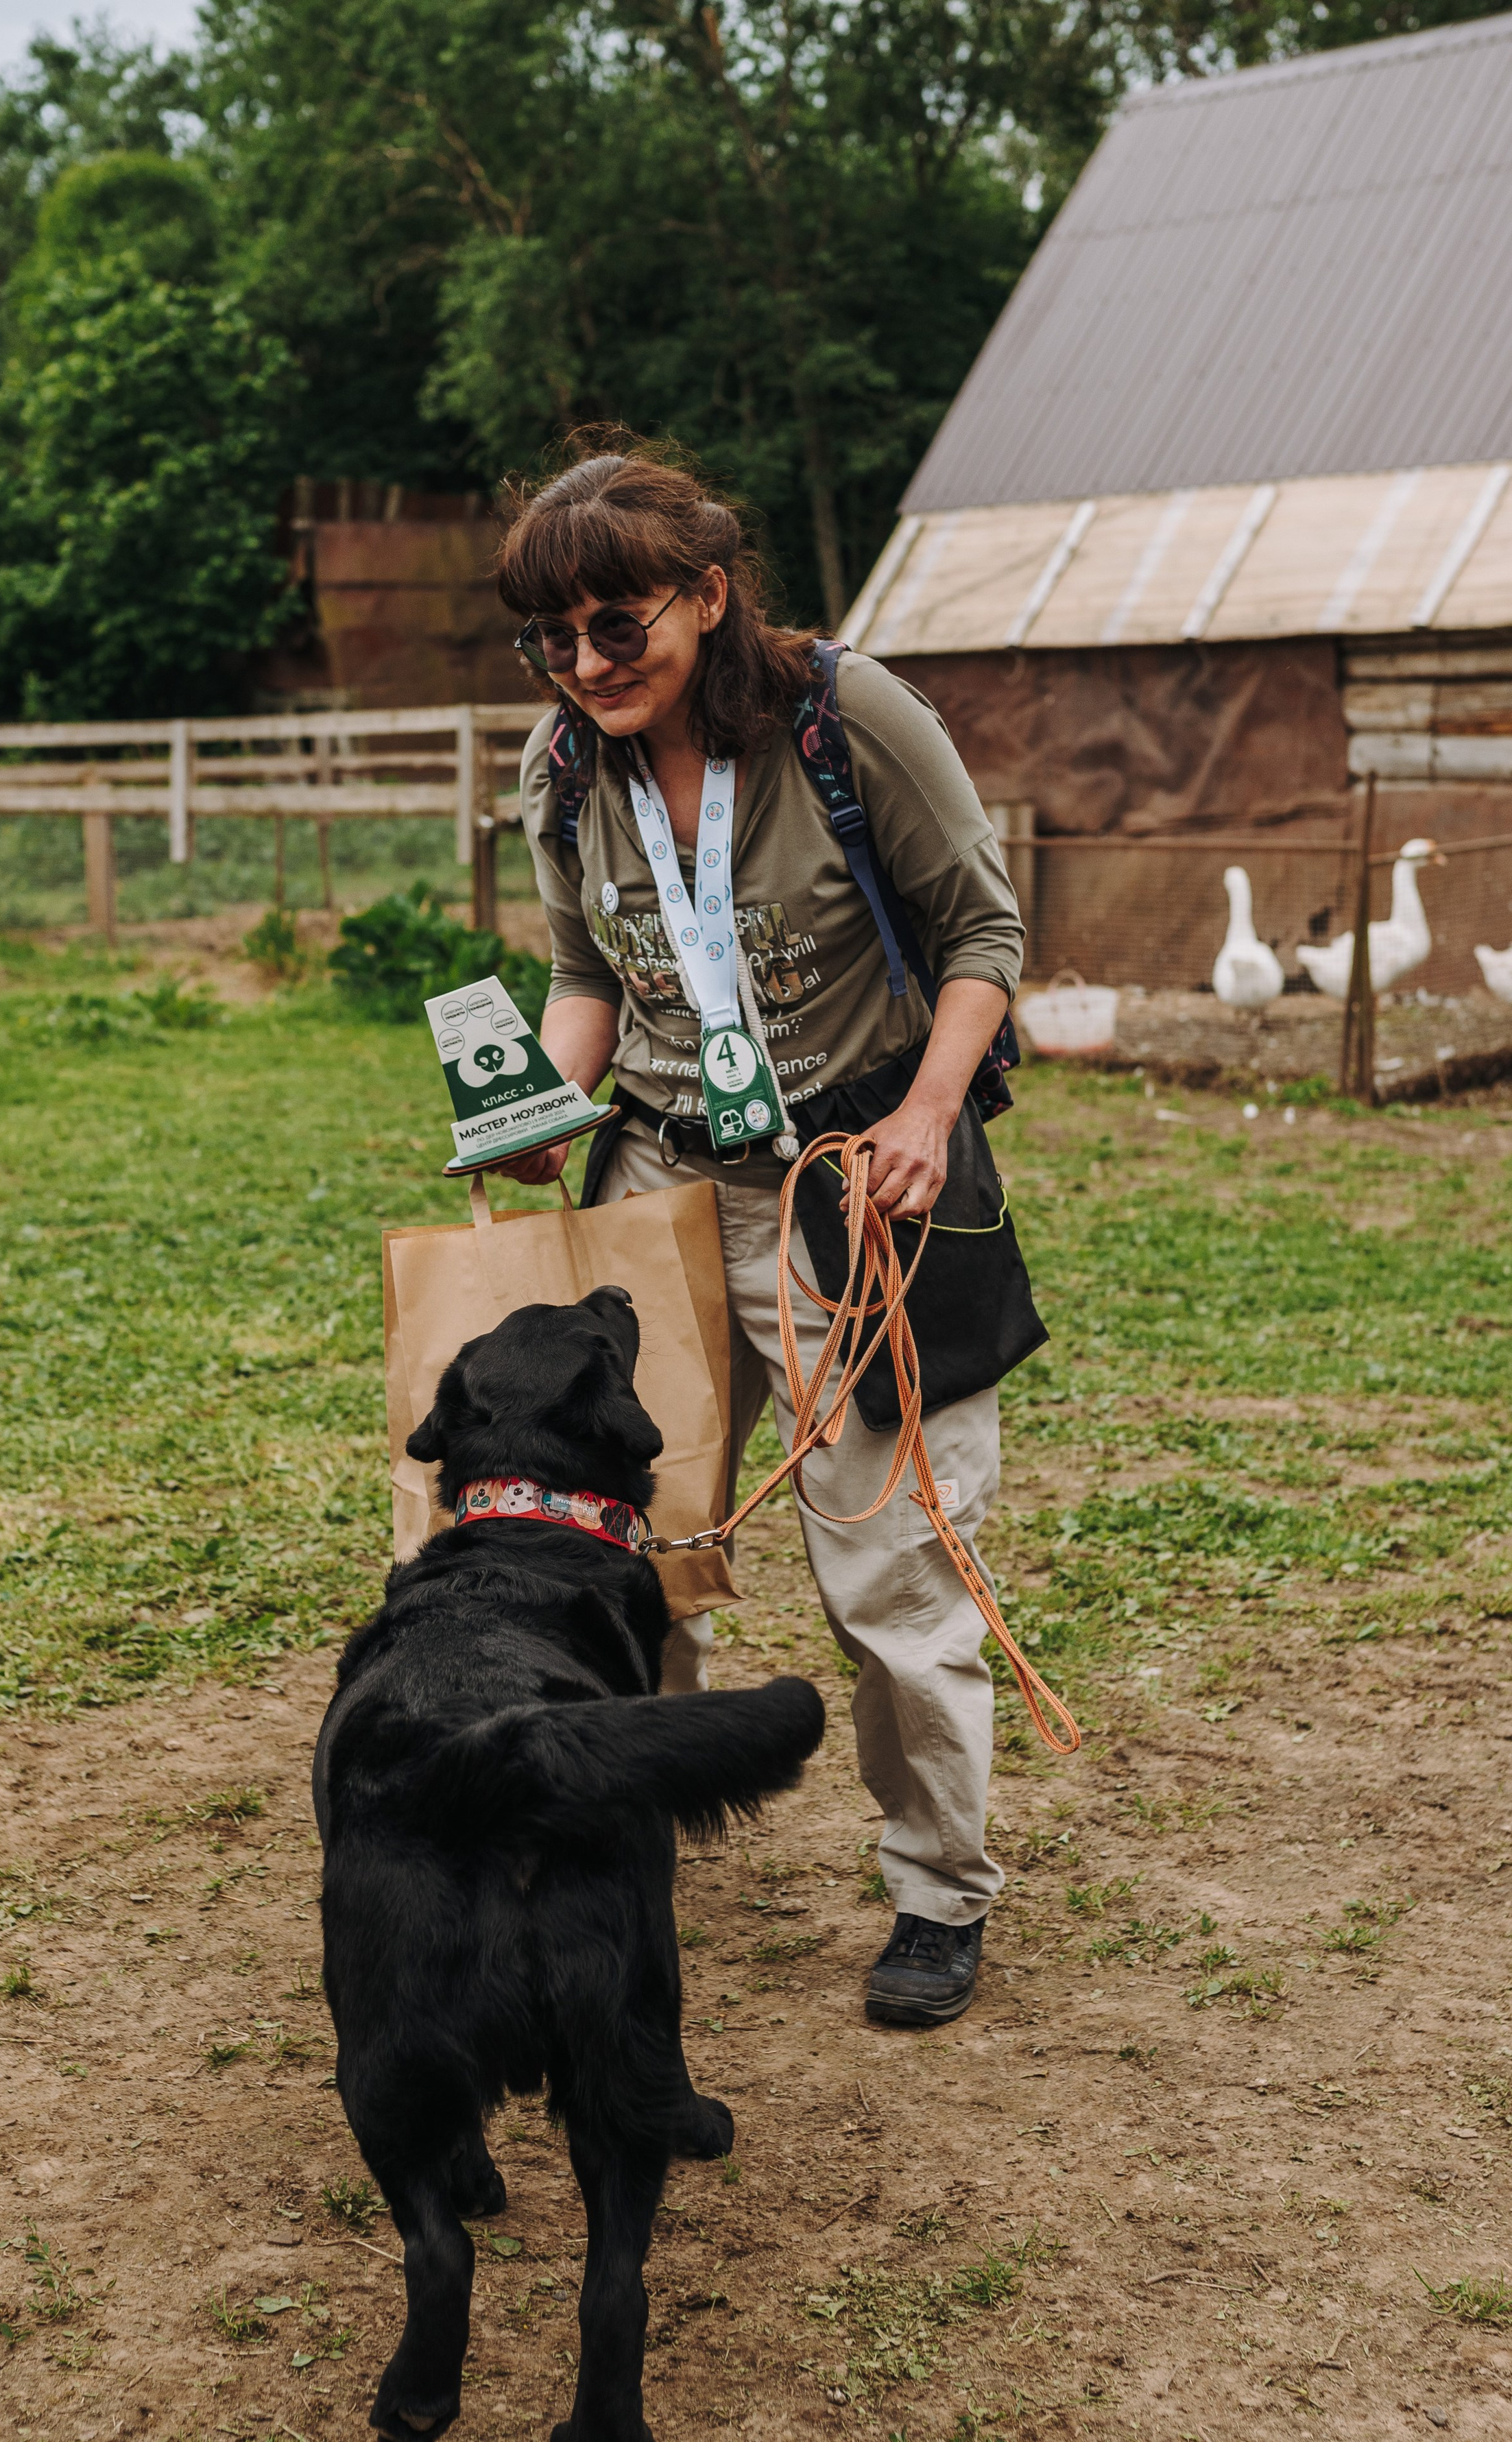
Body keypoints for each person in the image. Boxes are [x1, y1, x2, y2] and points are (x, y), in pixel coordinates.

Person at [494, 442, 1033, 2030]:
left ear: (708, 595)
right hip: (649, 1194)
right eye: (551, 638)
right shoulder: (559, 766)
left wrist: (927, 1112)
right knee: (629, 1546)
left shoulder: (846, 719)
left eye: (616, 625)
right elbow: (584, 974)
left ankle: (935, 1889)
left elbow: (982, 930)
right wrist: (538, 1111)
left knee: (890, 1569)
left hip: (847, 1193)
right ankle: (622, 1836)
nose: (586, 663)